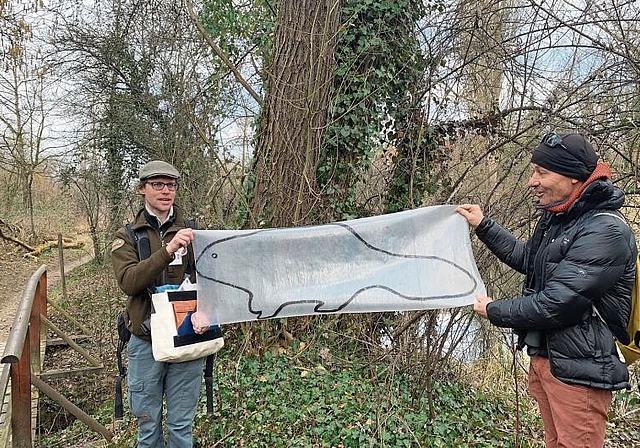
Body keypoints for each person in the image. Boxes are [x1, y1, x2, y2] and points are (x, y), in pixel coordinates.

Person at [456, 133, 637, 448]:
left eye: (542, 172)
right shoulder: (560, 218)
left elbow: (555, 304)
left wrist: (494, 309)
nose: (531, 181)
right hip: (551, 359)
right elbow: (531, 260)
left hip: (581, 369)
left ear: (572, 178)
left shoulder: (605, 230)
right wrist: (484, 225)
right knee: (554, 442)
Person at [111, 160, 203, 447]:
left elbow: (211, 279)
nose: (166, 191)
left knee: (180, 427)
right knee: (148, 428)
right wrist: (168, 250)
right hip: (144, 339)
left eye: (171, 185)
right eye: (157, 185)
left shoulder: (193, 231)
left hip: (187, 337)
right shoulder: (126, 236)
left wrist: (207, 311)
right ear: (142, 189)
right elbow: (129, 282)